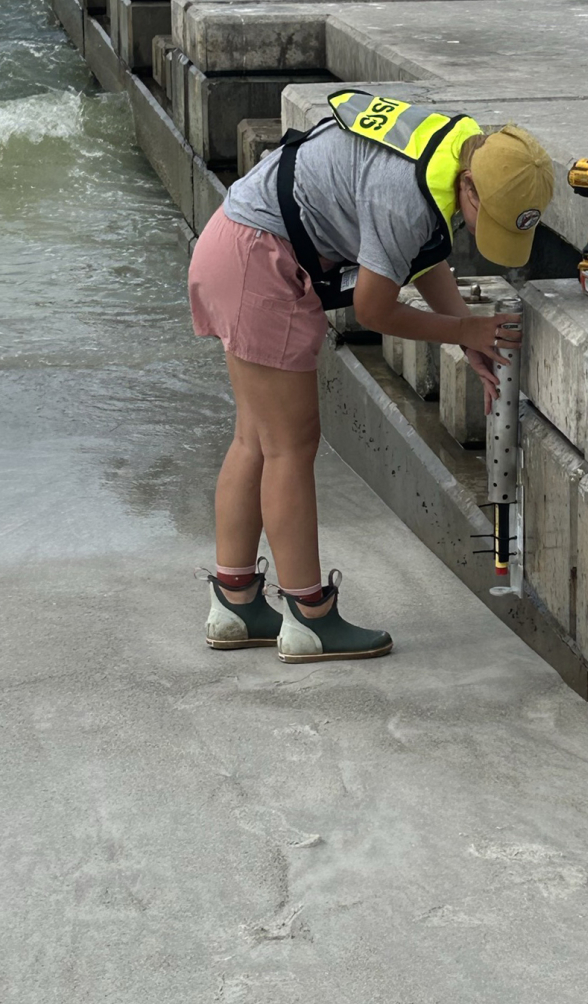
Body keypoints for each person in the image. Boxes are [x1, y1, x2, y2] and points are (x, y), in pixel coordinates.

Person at [188, 90, 555, 663]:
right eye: (491, 221)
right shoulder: (403, 195)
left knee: (254, 439)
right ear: (470, 189)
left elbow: (423, 255)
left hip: (238, 244)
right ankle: (310, 618)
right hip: (261, 261)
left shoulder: (452, 149)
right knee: (289, 447)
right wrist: (465, 332)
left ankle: (235, 605)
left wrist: (463, 328)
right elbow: (373, 310)